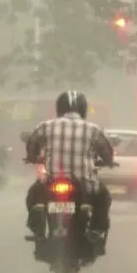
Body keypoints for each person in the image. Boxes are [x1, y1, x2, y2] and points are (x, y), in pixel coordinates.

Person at [23, 90, 115, 254]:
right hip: (85, 183)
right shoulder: (93, 129)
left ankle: (37, 228)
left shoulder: (46, 126)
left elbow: (32, 144)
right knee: (104, 198)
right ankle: (95, 229)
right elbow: (107, 151)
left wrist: (32, 157)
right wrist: (108, 161)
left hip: (51, 181)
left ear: (60, 108)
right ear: (83, 109)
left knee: (33, 196)